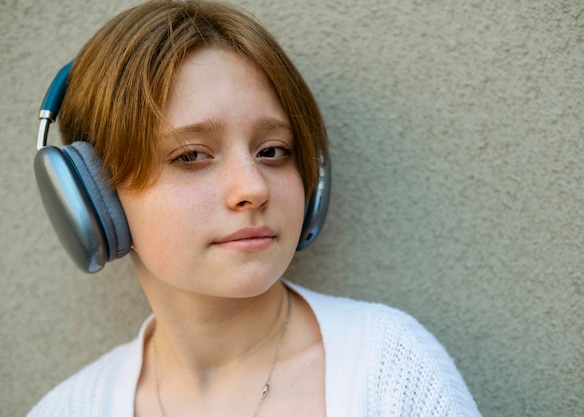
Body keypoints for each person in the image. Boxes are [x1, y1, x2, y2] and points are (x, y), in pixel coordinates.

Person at [28, 1, 481, 416]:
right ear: (93, 198)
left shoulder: (391, 370)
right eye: (190, 155)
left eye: (273, 150)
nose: (253, 187)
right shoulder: (67, 408)